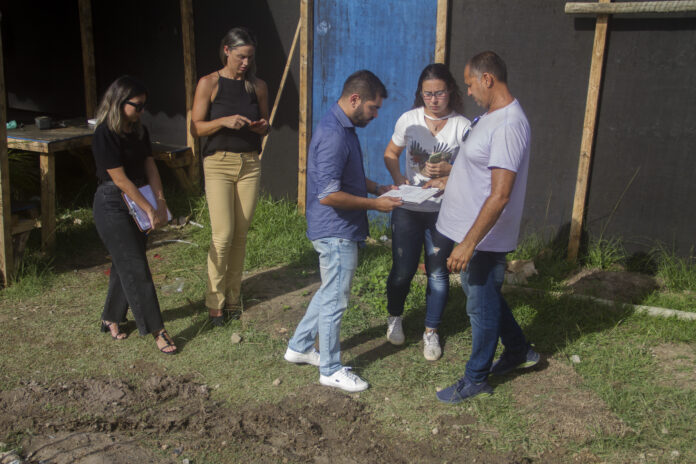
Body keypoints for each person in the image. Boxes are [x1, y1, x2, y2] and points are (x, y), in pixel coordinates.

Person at [426, 51, 539, 403]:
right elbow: (480, 166)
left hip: (485, 237)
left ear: (488, 79)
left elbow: (500, 195)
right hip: (469, 231)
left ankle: (476, 378)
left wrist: (469, 243)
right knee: (486, 296)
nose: (469, 92)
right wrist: (449, 173)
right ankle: (519, 351)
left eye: (472, 84)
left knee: (479, 304)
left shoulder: (509, 125)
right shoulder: (490, 117)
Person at [283, 70, 402, 392]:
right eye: (373, 108)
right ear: (355, 100)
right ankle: (331, 369)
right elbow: (328, 195)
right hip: (335, 231)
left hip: (338, 228)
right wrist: (376, 206)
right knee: (336, 299)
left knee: (329, 291)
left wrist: (377, 188)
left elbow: (345, 176)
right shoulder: (335, 134)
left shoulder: (344, 128)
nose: (376, 115)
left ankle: (299, 346)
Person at [383, 63, 470, 361]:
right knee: (403, 270)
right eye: (427, 94)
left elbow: (476, 170)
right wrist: (399, 180)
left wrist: (449, 171)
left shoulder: (462, 126)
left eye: (439, 93)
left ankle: (431, 332)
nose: (433, 100)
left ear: (451, 92)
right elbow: (390, 153)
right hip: (408, 207)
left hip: (443, 211)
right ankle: (394, 317)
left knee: (437, 272)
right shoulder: (409, 119)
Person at [92, 75, 177, 355]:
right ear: (119, 102)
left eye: (144, 106)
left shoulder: (139, 131)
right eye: (137, 106)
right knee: (135, 266)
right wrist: (148, 207)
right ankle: (158, 330)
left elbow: (150, 166)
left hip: (138, 199)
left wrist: (160, 201)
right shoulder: (104, 133)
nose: (142, 111)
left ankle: (111, 317)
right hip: (113, 202)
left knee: (126, 261)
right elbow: (119, 179)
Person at [191, 27, 270, 326]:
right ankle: (215, 302)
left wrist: (262, 127)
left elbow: (266, 126)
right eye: (240, 57)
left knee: (240, 235)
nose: (245, 63)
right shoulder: (209, 83)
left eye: (250, 57)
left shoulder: (258, 86)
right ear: (226, 51)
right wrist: (222, 121)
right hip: (218, 164)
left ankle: (234, 297)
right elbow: (196, 128)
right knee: (222, 235)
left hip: (250, 163)